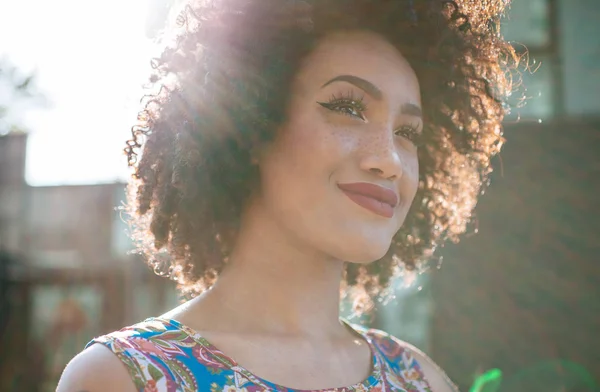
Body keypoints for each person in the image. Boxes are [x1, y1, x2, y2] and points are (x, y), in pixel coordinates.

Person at [57, 0, 515, 390]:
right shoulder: (122, 378)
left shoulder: (420, 380)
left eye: (408, 131)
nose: (391, 159)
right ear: (251, 123)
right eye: (348, 108)